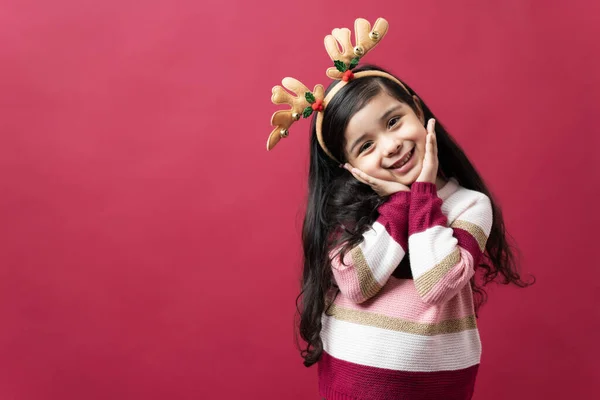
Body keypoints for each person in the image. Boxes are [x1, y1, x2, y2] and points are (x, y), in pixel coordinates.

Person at [267, 18, 533, 400]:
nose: (390, 146)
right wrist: (397, 203)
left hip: (433, 387)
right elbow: (358, 285)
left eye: (393, 121)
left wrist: (421, 193)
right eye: (365, 146)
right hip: (346, 387)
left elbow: (436, 282)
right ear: (351, 168)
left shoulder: (470, 205)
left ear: (418, 109)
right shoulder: (354, 212)